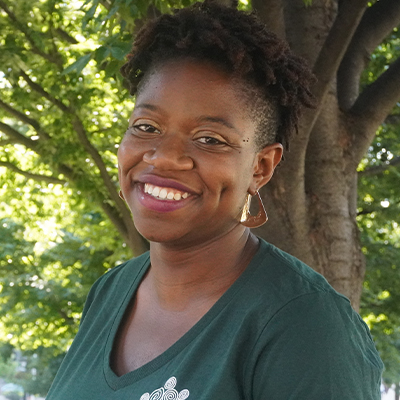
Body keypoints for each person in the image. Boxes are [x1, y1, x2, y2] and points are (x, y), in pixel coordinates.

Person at [46, 1, 383, 399]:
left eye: (210, 139)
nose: (164, 157)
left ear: (260, 167)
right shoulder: (109, 292)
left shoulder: (306, 324)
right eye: (147, 127)